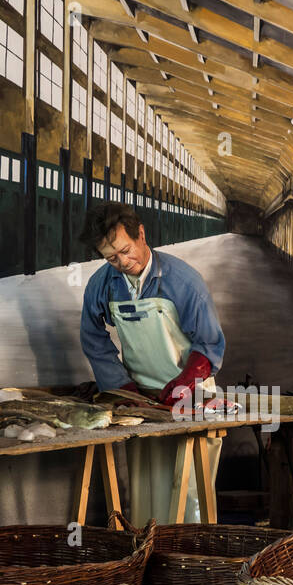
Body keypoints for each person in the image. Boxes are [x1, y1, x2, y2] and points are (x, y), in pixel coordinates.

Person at [78, 202, 226, 524]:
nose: (122, 263)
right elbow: (92, 339)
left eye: (125, 251)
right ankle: (150, 561)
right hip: (142, 406)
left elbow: (209, 343)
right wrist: (122, 388)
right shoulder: (102, 285)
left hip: (193, 402)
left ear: (141, 234)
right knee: (147, 496)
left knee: (189, 498)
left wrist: (184, 381)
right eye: (110, 258)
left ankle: (191, 565)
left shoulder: (185, 282)